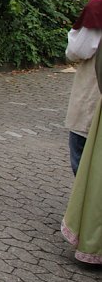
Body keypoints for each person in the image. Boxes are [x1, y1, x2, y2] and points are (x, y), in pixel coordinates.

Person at [61, 42, 102, 264]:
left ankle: (87, 223)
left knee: (86, 163)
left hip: (92, 97)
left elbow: (77, 50)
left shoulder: (97, 8)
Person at [64, 0, 102, 174]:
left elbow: (78, 50)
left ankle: (88, 205)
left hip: (95, 86)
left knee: (82, 148)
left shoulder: (98, 6)